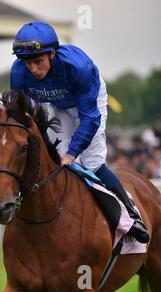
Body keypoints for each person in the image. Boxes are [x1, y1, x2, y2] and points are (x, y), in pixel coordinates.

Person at [10, 21, 149, 243]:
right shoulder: (18, 73)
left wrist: (73, 152)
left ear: (52, 54)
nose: (33, 70)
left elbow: (90, 118)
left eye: (38, 61)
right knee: (57, 158)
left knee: (91, 161)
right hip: (55, 105)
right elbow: (20, 113)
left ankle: (130, 215)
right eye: (27, 64)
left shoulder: (79, 68)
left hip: (89, 105)